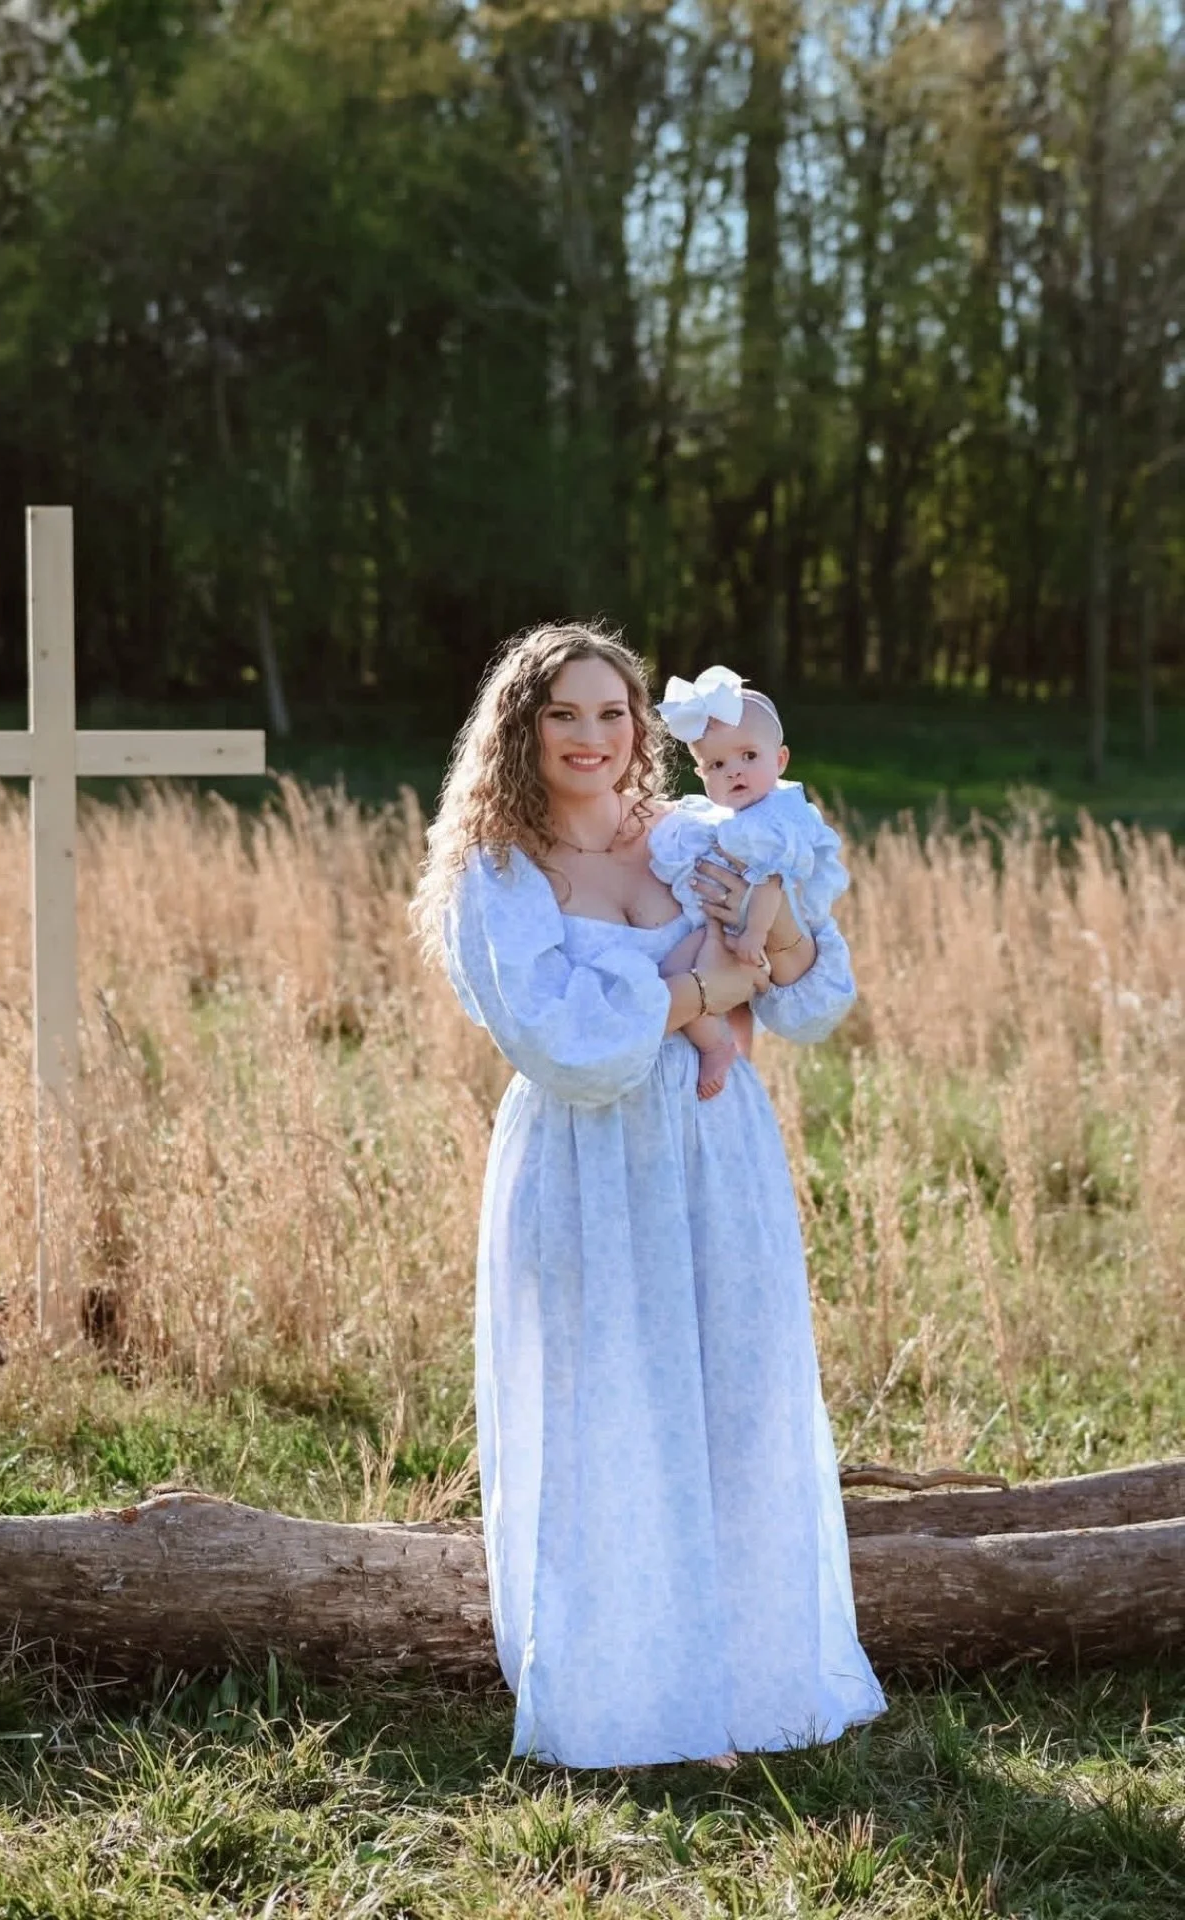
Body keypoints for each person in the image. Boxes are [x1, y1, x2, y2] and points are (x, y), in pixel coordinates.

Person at [410, 622, 886, 1770]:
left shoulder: (687, 837)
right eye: (563, 714)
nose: (590, 736)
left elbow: (813, 997)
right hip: (586, 1164)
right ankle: (636, 1700)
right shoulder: (499, 872)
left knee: (740, 1396)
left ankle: (753, 1689)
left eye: (611, 713)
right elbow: (564, 1042)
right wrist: (702, 989)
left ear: (645, 730)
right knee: (611, 1416)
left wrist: (771, 941)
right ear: (520, 731)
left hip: (718, 1154)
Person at [648, 665, 850, 1101]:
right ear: (701, 776)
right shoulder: (733, 818)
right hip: (734, 928)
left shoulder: (773, 821)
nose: (734, 771)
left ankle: (718, 1047)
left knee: (680, 972)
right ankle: (725, 1046)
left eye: (749, 757)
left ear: (780, 761)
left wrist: (754, 933)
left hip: (750, 932)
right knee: (679, 974)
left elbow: (771, 885)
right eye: (717, 764)